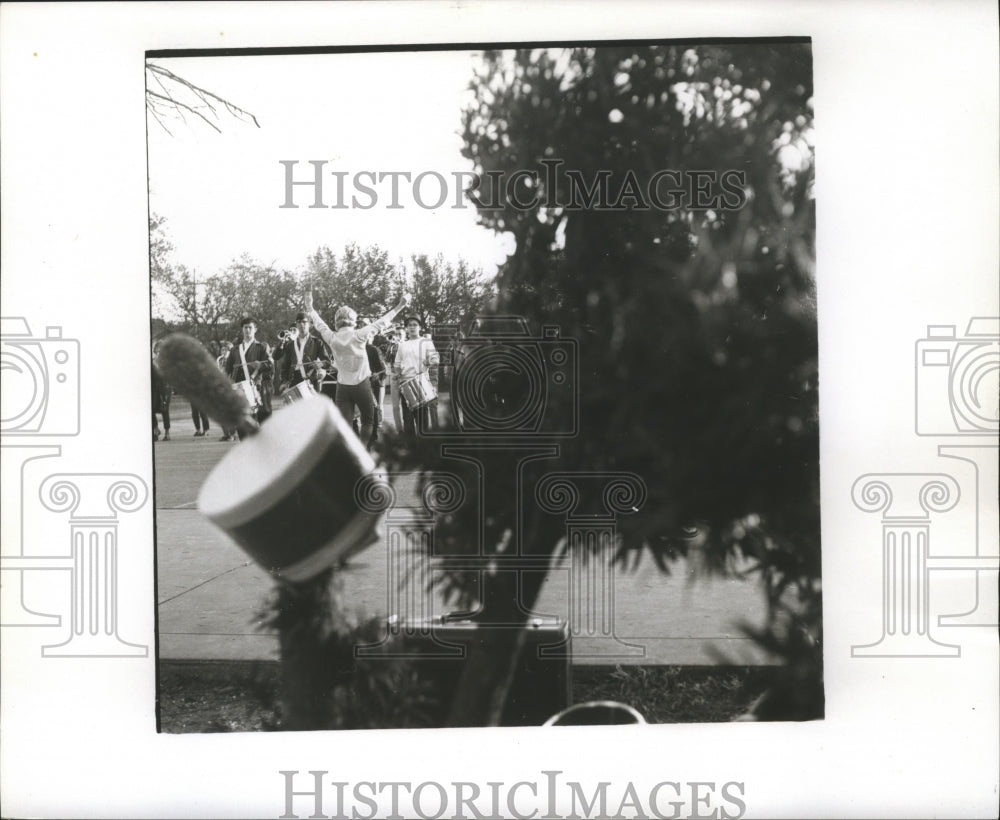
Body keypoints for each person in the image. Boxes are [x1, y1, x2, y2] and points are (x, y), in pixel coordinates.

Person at [307, 291, 408, 447]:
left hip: (342, 386)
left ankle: (351, 454)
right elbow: (383, 321)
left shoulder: (332, 337)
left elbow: (319, 325)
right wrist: (400, 305)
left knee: (346, 426)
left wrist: (310, 307)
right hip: (361, 384)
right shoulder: (360, 335)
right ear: (353, 322)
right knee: (368, 420)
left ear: (336, 323)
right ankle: (362, 449)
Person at [225, 317, 274, 432]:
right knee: (242, 425)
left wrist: (261, 366)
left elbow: (270, 365)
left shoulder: (262, 347)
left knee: (263, 423)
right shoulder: (235, 350)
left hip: (256, 388)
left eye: (250, 328)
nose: (247, 330)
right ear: (242, 329)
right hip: (240, 390)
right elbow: (228, 370)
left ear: (255, 329)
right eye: (245, 328)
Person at [394, 316, 440, 436]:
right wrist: (398, 374)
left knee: (422, 421)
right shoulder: (402, 345)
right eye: (410, 325)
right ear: (406, 328)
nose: (412, 327)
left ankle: (422, 449)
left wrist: (429, 361)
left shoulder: (426, 342)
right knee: (407, 420)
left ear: (419, 327)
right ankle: (411, 449)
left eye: (415, 325)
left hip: (421, 383)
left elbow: (435, 358)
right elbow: (397, 364)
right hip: (405, 384)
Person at [277, 311, 329, 396]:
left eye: (304, 322)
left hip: (311, 380)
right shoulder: (290, 345)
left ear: (309, 324)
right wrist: (284, 382)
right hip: (293, 380)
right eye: (299, 322)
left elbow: (327, 362)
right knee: (296, 408)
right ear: (296, 325)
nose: (302, 325)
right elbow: (285, 367)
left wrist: (321, 364)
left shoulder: (317, 342)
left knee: (312, 408)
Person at [151, 342, 172, 442]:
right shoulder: (152, 362)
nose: (159, 351)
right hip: (155, 389)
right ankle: (156, 429)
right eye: (157, 349)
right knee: (151, 410)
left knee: (164, 410)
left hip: (165, 389)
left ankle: (167, 433)